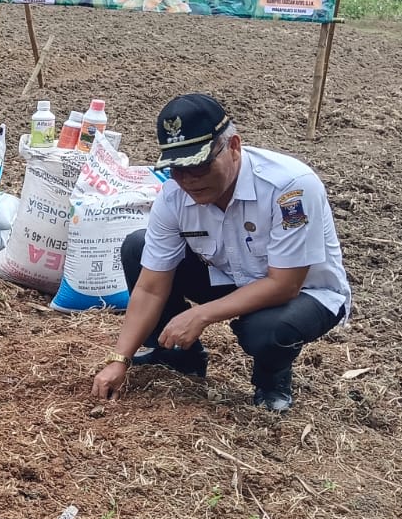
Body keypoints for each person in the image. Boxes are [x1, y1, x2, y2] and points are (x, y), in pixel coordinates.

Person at [90, 94, 350, 413]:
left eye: (199, 165)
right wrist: (119, 360)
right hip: (232, 277)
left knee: (266, 329)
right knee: (137, 247)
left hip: (305, 293)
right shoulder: (174, 197)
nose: (188, 180)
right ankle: (177, 357)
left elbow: (285, 284)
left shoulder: (290, 188)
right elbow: (150, 287)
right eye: (176, 169)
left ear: (234, 147)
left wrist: (200, 314)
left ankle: (272, 380)